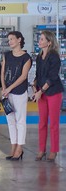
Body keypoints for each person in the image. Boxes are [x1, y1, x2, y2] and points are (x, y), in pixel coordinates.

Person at [32, 30, 63, 163]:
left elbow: (53, 77)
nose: (40, 41)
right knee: (42, 123)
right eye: (40, 39)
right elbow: (39, 74)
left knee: (53, 123)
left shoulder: (54, 56)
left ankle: (54, 150)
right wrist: (34, 84)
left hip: (53, 92)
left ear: (49, 42)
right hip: (41, 93)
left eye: (42, 39)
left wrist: (41, 91)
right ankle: (41, 149)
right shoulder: (39, 57)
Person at [1, 31, 31, 161]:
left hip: (19, 92)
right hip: (7, 93)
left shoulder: (26, 57)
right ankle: (13, 146)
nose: (10, 41)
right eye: (9, 39)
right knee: (10, 121)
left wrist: (9, 88)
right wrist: (3, 88)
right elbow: (2, 72)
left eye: (12, 39)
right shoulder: (6, 55)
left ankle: (20, 147)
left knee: (20, 121)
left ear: (19, 40)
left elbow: (23, 76)